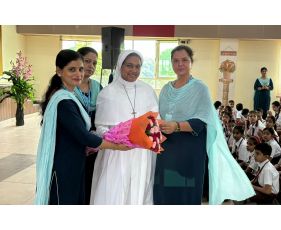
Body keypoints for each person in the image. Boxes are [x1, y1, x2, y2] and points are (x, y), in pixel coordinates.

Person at [153, 45, 255, 205]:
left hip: (189, 150)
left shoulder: (199, 88)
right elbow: (158, 116)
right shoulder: (165, 89)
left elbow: (202, 121)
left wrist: (177, 126)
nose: (180, 64)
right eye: (176, 61)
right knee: (164, 192)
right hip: (167, 150)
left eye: (184, 60)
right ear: (171, 63)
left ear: (191, 62)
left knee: (185, 194)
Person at [35, 49, 129, 205]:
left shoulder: (69, 96)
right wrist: (116, 146)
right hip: (64, 163)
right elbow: (83, 135)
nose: (78, 74)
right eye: (72, 69)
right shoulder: (63, 101)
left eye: (80, 69)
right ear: (59, 71)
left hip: (75, 159)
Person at [90, 50, 159, 205]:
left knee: (139, 187)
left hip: (141, 152)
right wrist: (115, 138)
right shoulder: (107, 93)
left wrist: (147, 135)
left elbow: (155, 120)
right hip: (116, 151)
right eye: (129, 65)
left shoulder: (147, 90)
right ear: (120, 66)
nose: (134, 70)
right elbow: (100, 125)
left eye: (137, 66)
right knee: (114, 188)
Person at [75, 47, 102, 204]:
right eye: (87, 61)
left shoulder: (98, 88)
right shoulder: (68, 88)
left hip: (94, 144)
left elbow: (104, 114)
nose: (91, 66)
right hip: (75, 142)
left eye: (94, 63)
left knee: (91, 182)